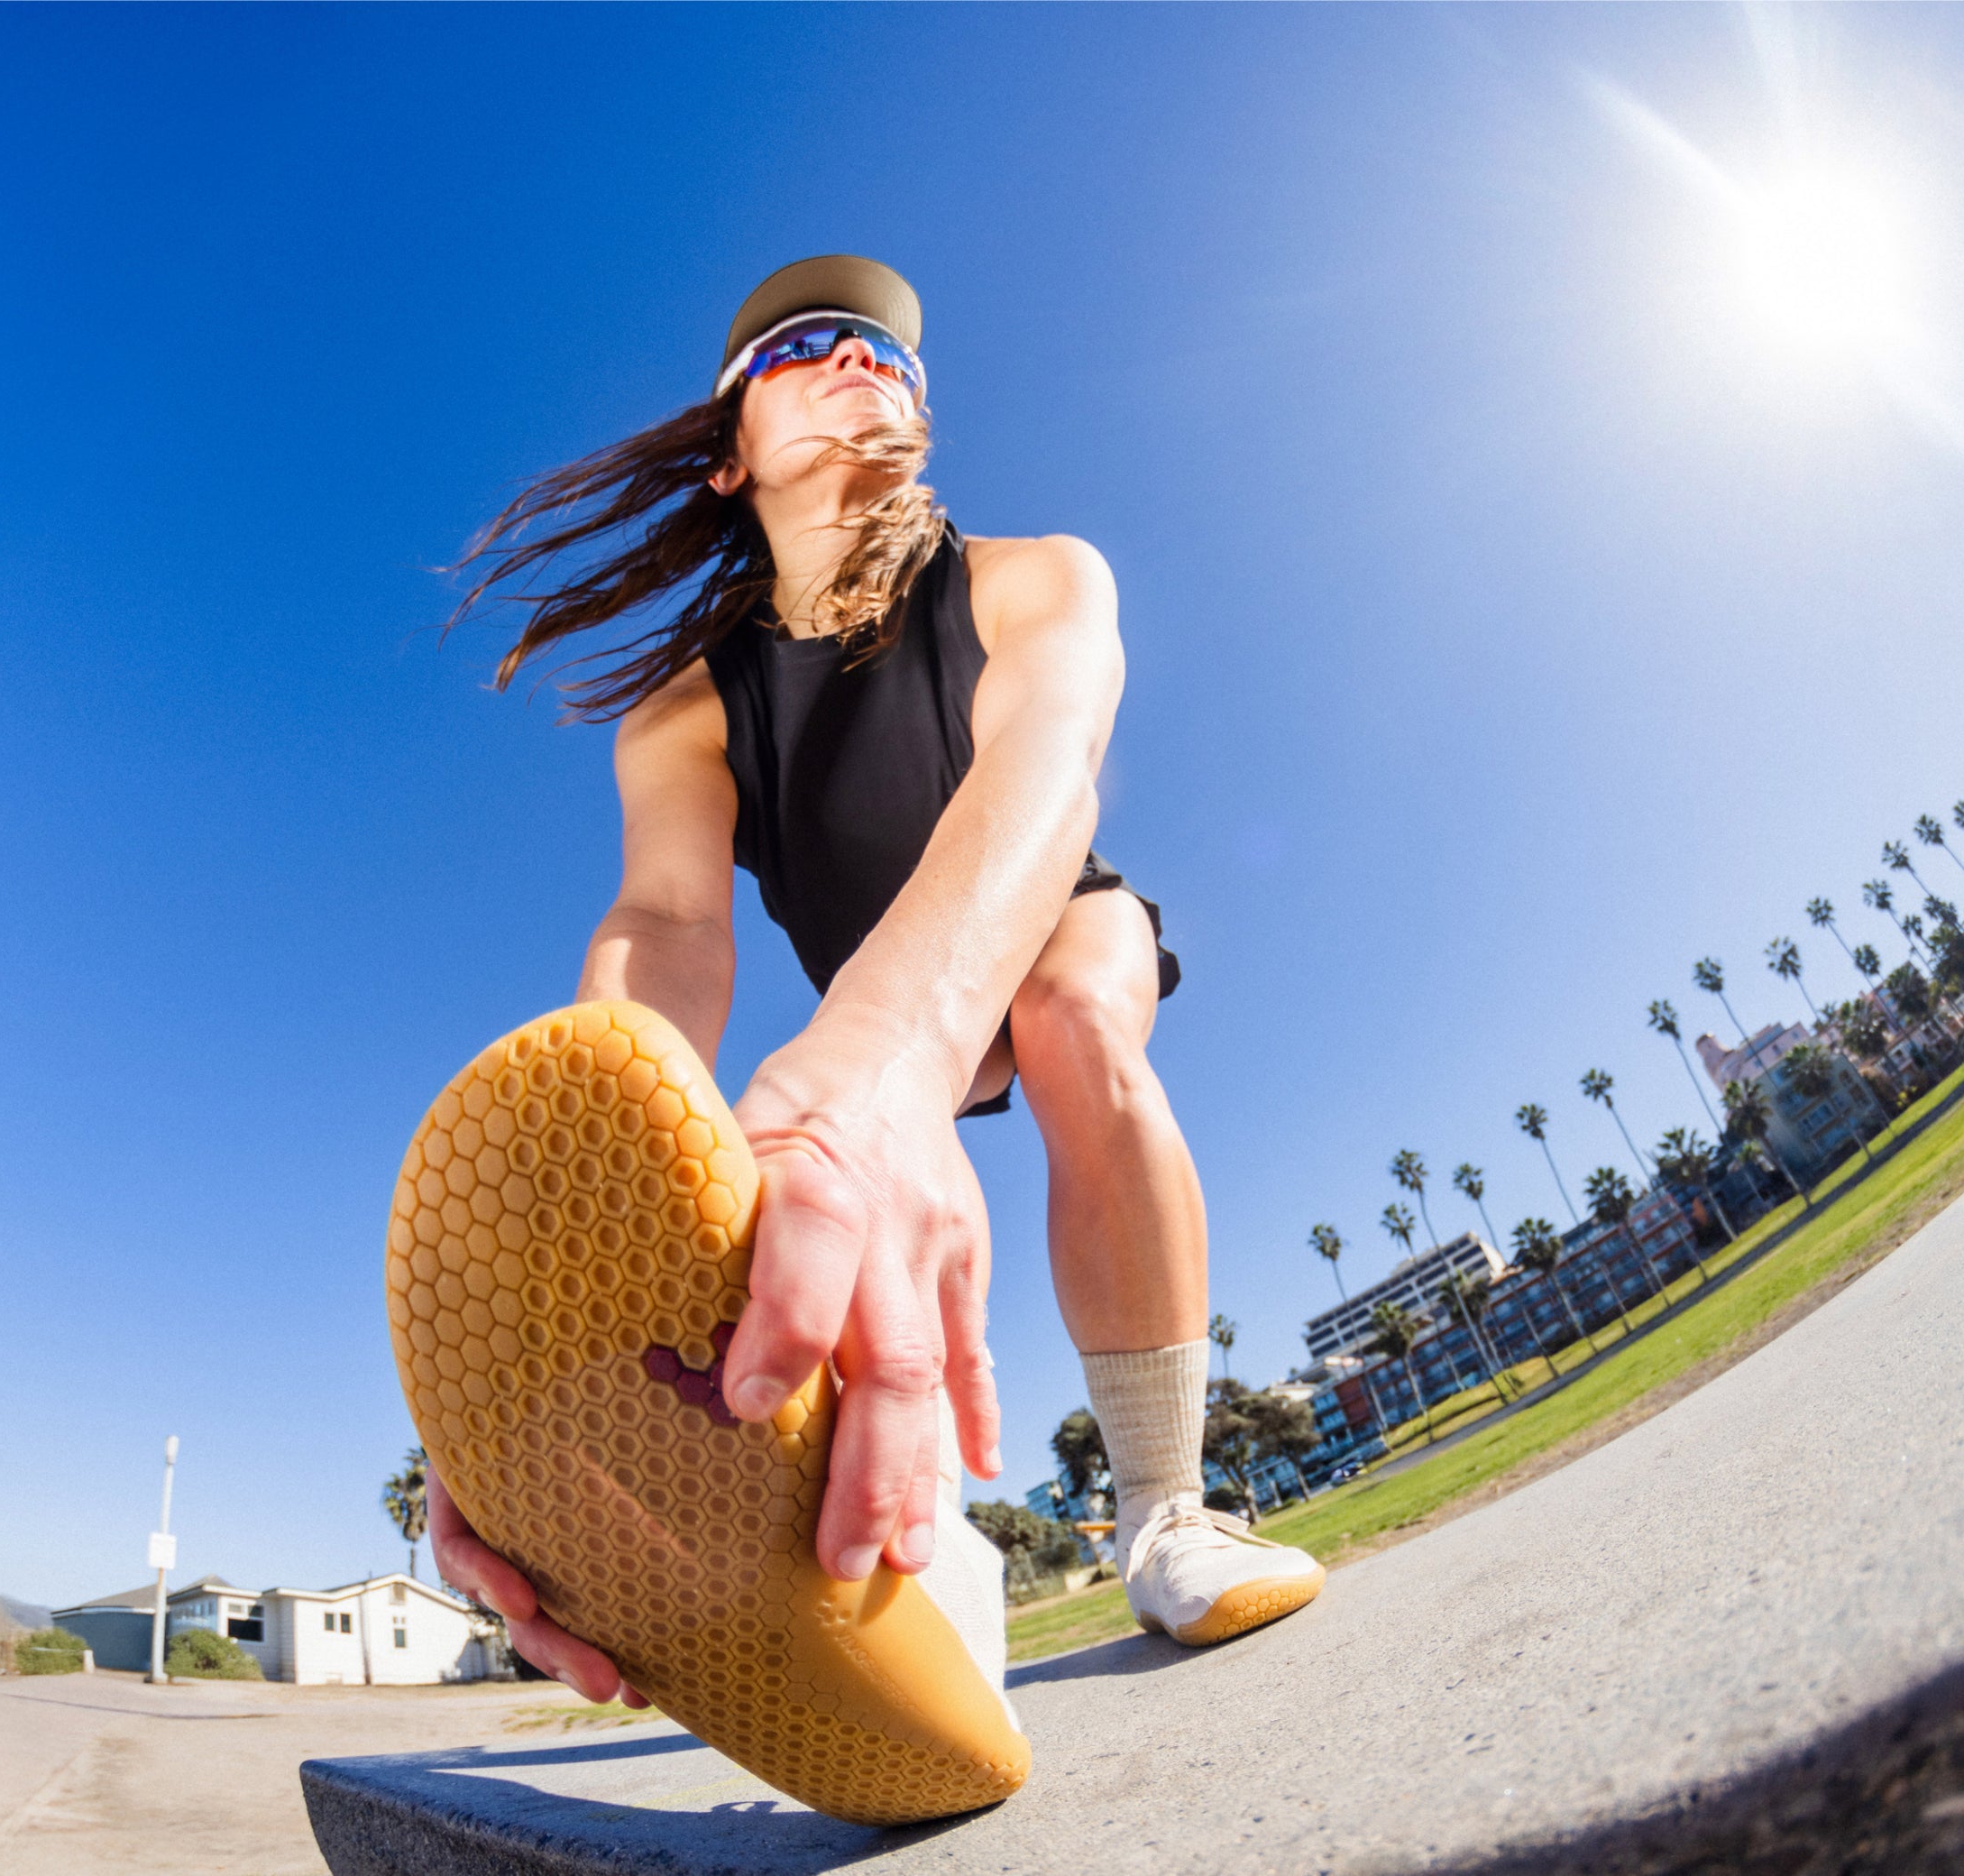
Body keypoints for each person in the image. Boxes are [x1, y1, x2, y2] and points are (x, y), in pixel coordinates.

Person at [427, 256, 1322, 1706]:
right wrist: (578, 1238)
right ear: (729, 456)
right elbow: (667, 926)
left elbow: (1049, 779)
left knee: (1073, 1014)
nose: (866, 359)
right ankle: (885, 1539)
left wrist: (884, 1078)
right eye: (810, 346)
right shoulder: (684, 710)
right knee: (747, 1200)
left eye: (890, 351)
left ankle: (1164, 1501)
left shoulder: (1036, 573)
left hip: (1041, 927)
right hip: (869, 1014)